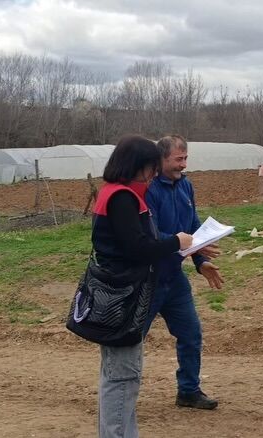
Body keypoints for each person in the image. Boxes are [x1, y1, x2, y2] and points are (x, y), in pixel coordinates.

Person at [91, 134, 194, 438]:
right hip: (124, 299)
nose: (153, 173)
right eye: (150, 167)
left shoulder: (113, 192)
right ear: (138, 165)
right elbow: (137, 247)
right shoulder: (122, 197)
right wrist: (176, 242)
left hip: (117, 295)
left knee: (117, 375)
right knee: (123, 377)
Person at [143, 134, 224, 410]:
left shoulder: (186, 186)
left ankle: (188, 390)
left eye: (185, 158)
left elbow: (193, 226)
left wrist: (201, 262)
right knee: (132, 338)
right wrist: (182, 242)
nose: (183, 164)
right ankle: (120, 393)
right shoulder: (149, 189)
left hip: (174, 278)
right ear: (162, 159)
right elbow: (151, 236)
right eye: (178, 159)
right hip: (148, 279)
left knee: (191, 334)